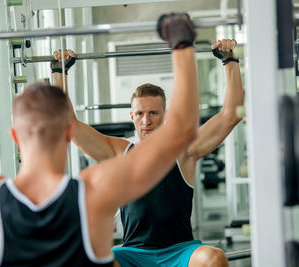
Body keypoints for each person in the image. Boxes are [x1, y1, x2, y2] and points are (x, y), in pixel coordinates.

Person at [0, 13, 199, 267]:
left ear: (15, 136)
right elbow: (181, 130)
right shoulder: (95, 193)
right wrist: (181, 43)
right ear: (69, 134)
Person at [52, 37, 244, 266]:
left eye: (154, 113)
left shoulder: (183, 150)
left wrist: (229, 61)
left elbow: (231, 115)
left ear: (166, 115)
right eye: (140, 114)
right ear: (132, 116)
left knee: (214, 258)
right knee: (91, 259)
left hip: (180, 252)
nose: (146, 121)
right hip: (133, 254)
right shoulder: (118, 152)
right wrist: (59, 72)